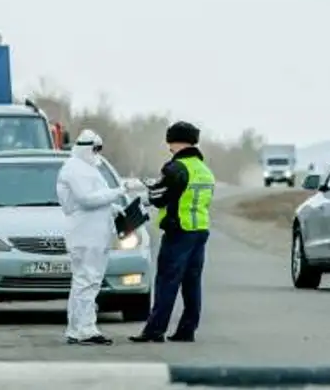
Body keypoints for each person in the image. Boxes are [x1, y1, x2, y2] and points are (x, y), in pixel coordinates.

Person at [129, 121, 215, 343]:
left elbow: (160, 198)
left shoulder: (176, 168)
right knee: (192, 283)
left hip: (179, 231)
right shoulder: (204, 170)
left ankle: (155, 330)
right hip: (200, 230)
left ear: (175, 141)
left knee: (167, 281)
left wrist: (151, 189)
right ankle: (187, 330)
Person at [56, 129, 127, 346]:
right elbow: (86, 199)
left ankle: (78, 328)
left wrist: (113, 209)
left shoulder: (86, 168)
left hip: (93, 233)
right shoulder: (75, 168)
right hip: (85, 234)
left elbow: (95, 200)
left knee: (87, 281)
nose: (97, 153)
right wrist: (119, 191)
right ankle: (85, 329)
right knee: (87, 281)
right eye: (95, 149)